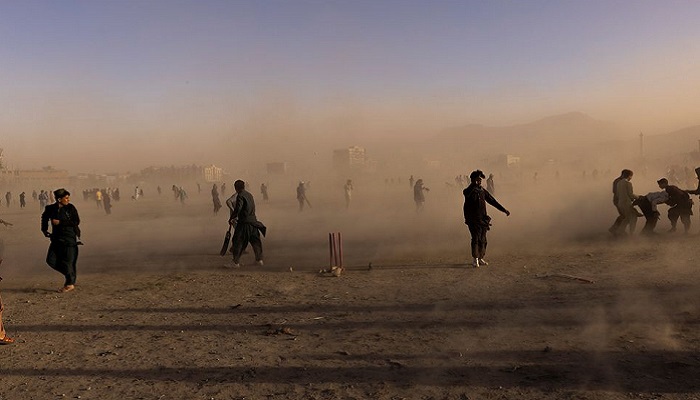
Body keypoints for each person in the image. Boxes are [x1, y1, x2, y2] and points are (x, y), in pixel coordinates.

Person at [463, 170, 510, 268]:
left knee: (483, 240)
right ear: (473, 180)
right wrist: (473, 185)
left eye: (480, 179)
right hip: (473, 219)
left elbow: (493, 201)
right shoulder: (469, 191)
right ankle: (475, 259)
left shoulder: (482, 191)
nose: (480, 181)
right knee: (475, 238)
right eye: (478, 179)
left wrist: (504, 210)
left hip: (483, 219)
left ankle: (480, 258)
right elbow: (467, 194)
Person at [41, 188, 80, 293]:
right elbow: (44, 218)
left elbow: (76, 221)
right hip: (56, 238)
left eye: (68, 198)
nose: (68, 200)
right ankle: (70, 277)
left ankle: (70, 283)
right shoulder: (50, 208)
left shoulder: (70, 208)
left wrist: (61, 222)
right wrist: (44, 229)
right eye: (66, 198)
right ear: (59, 199)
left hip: (69, 238)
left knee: (68, 262)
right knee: (51, 261)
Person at [226, 180, 266, 268]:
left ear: (236, 187)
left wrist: (232, 218)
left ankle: (235, 262)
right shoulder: (250, 195)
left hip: (244, 223)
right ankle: (259, 260)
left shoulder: (240, 195)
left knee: (238, 241)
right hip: (254, 222)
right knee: (255, 241)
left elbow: (238, 208)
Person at [613, 169, 639, 236]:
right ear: (629, 176)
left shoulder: (618, 183)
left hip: (620, 203)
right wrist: (638, 197)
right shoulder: (628, 183)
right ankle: (631, 234)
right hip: (626, 203)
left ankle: (619, 231)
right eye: (631, 176)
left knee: (626, 218)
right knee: (633, 217)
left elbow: (617, 194)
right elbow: (630, 194)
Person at [609, 169, 632, 236]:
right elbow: (615, 191)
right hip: (619, 200)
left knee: (624, 216)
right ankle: (616, 230)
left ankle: (616, 229)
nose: (630, 178)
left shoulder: (618, 181)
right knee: (625, 216)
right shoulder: (619, 181)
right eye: (630, 176)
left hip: (619, 200)